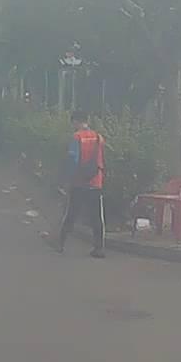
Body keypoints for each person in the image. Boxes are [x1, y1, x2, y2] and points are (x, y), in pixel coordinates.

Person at [57, 110, 106, 258]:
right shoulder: (99, 137)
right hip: (95, 182)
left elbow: (73, 160)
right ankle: (99, 248)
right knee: (96, 217)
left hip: (79, 182)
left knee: (71, 213)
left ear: (75, 122)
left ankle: (60, 243)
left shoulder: (77, 137)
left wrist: (67, 180)